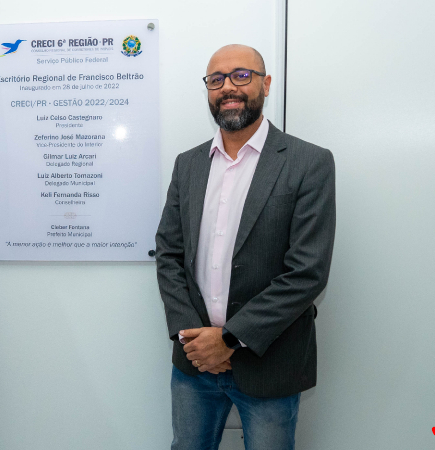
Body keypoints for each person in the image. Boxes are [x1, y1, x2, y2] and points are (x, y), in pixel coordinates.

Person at [155, 44, 336, 450]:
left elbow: (307, 271)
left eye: (241, 75)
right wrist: (193, 338)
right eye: (216, 79)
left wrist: (229, 340)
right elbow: (168, 253)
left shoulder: (309, 162)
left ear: (265, 84)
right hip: (194, 363)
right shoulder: (188, 164)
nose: (228, 88)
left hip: (270, 361)